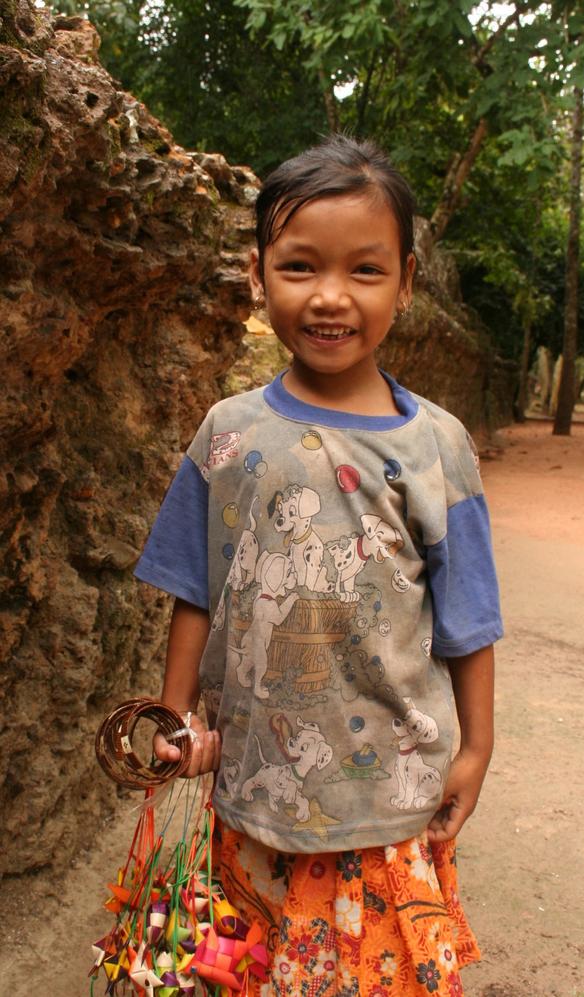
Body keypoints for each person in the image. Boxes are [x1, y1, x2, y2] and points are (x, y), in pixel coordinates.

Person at [135, 134, 503, 996]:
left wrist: (477, 746)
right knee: (249, 972)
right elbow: (195, 589)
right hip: (255, 781)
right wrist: (174, 713)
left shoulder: (437, 447)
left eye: (365, 272)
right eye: (300, 267)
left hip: (390, 800)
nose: (330, 297)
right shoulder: (226, 433)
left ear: (406, 281)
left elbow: (469, 617)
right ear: (258, 276)